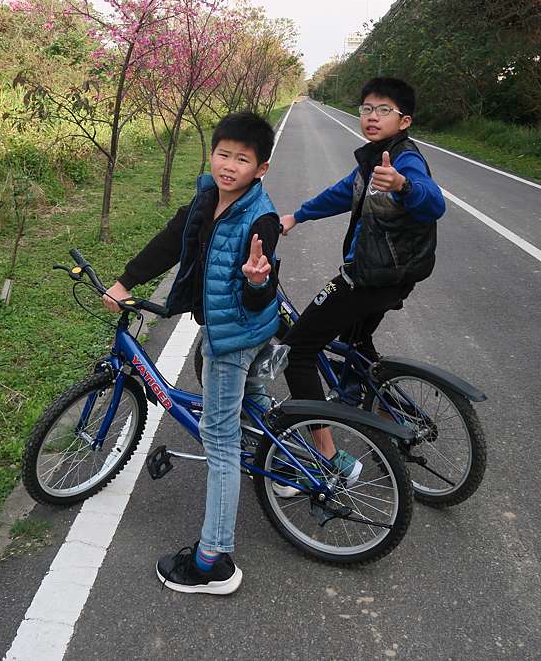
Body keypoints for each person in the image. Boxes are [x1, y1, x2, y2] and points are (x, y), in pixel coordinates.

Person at [102, 112, 280, 595]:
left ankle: (213, 560)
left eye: (242, 160)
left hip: (236, 334)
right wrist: (126, 280)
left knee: (218, 439)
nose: (229, 166)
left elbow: (265, 286)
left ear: (260, 168)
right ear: (212, 154)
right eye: (223, 154)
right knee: (243, 393)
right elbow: (171, 241)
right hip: (222, 329)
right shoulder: (207, 197)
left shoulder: (260, 218)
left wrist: (258, 282)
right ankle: (283, 456)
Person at [276, 77, 445, 494]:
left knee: (299, 350)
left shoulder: (403, 162)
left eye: (382, 110)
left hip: (369, 277)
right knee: (356, 346)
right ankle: (373, 402)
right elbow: (342, 194)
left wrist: (403, 185)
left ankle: (325, 458)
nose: (371, 116)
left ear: (404, 120)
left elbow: (434, 200)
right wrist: (297, 216)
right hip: (395, 277)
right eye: (366, 108)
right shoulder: (370, 162)